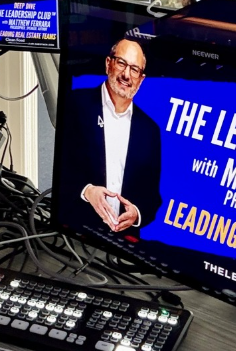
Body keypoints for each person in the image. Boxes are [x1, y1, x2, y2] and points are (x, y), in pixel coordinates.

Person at [59, 38, 162, 233]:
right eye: (121, 63)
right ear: (108, 64)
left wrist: (136, 213)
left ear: (141, 79)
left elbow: (151, 196)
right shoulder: (74, 104)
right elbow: (60, 168)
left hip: (122, 243)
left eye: (134, 69)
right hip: (75, 231)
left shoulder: (150, 130)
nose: (126, 75)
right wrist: (87, 191)